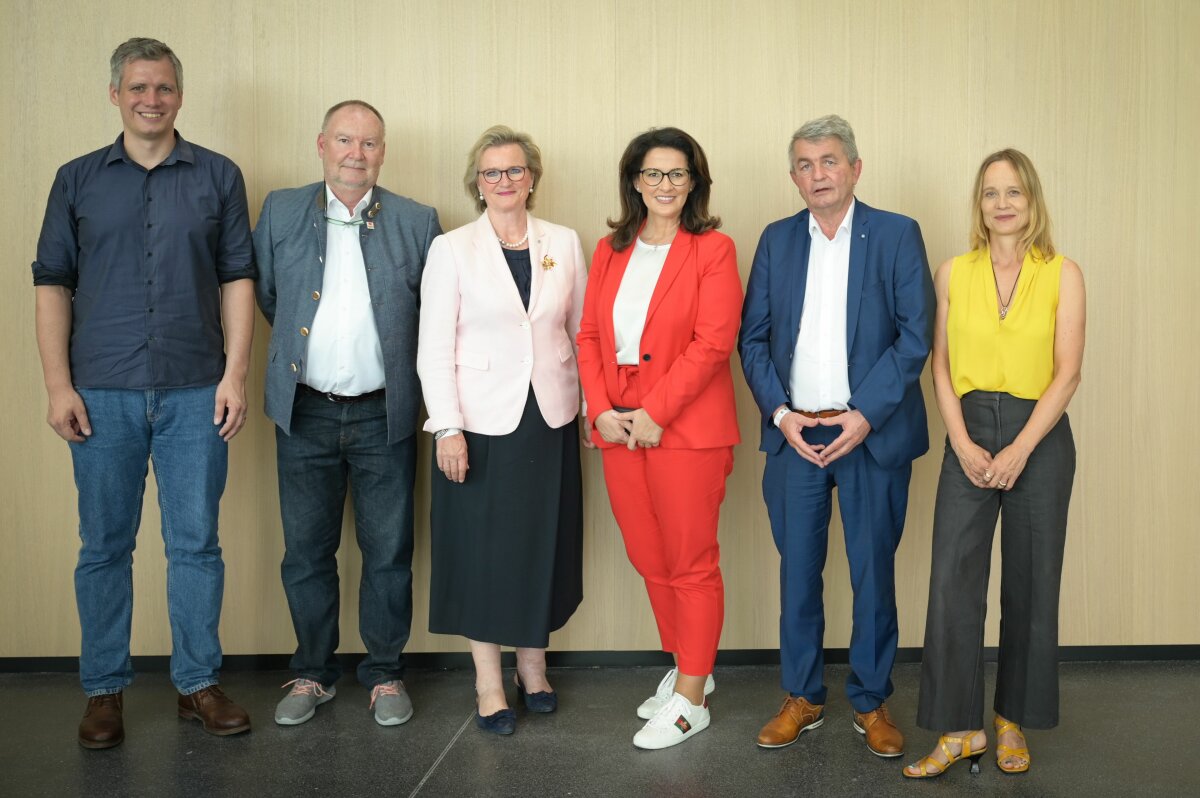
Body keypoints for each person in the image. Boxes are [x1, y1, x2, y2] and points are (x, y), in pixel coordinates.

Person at [32, 38, 255, 748]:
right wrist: (58, 385)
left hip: (196, 389)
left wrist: (236, 374)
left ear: (179, 96)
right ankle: (104, 691)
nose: (150, 100)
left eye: (162, 88)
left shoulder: (219, 176)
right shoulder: (75, 180)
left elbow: (237, 279)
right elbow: (50, 285)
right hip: (101, 391)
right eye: (138, 88)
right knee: (103, 546)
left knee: (196, 545)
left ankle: (198, 684)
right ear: (116, 95)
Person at [739, 114, 934, 757]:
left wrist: (865, 414)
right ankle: (802, 696)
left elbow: (914, 337)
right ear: (793, 176)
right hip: (796, 436)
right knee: (799, 573)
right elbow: (755, 339)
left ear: (855, 167)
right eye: (803, 164)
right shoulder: (777, 240)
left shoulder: (897, 235)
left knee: (872, 573)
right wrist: (781, 416)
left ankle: (873, 703)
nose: (817, 174)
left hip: (869, 436)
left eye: (828, 161)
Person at [253, 100, 441, 727]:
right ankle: (312, 672)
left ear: (382, 153)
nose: (355, 153)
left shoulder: (417, 221)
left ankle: (385, 675)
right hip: (303, 412)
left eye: (368, 143)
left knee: (387, 549)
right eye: (344, 140)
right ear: (321, 144)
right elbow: (270, 296)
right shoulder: (281, 209)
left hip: (383, 415)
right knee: (306, 551)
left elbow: (432, 318)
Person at [904, 149, 1084, 779]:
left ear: (1032, 200)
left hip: (1040, 434)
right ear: (978, 204)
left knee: (1032, 584)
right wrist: (960, 441)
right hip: (969, 432)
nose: (1002, 203)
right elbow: (942, 368)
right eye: (990, 193)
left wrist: (1020, 449)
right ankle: (960, 730)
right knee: (952, 581)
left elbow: (1067, 375)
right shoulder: (953, 272)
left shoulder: (1063, 273)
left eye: (1014, 192)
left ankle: (1010, 722)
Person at [417, 125, 586, 736]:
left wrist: (592, 410)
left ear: (532, 178)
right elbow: (433, 348)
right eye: (493, 173)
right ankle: (490, 681)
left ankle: (533, 669)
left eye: (515, 171)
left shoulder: (563, 243)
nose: (505, 181)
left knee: (541, 545)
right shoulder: (452, 249)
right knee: (482, 552)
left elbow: (580, 332)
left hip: (549, 416)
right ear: (477, 184)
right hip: (479, 423)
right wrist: (447, 428)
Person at [577, 127, 742, 750]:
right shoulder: (609, 249)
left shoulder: (714, 250)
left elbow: (712, 343)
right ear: (635, 182)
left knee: (691, 562)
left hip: (685, 431)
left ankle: (693, 698)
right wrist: (600, 412)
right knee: (650, 557)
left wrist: (654, 412)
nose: (665, 185)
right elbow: (590, 336)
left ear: (694, 182)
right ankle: (686, 667)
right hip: (619, 427)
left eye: (677, 174)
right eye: (653, 174)